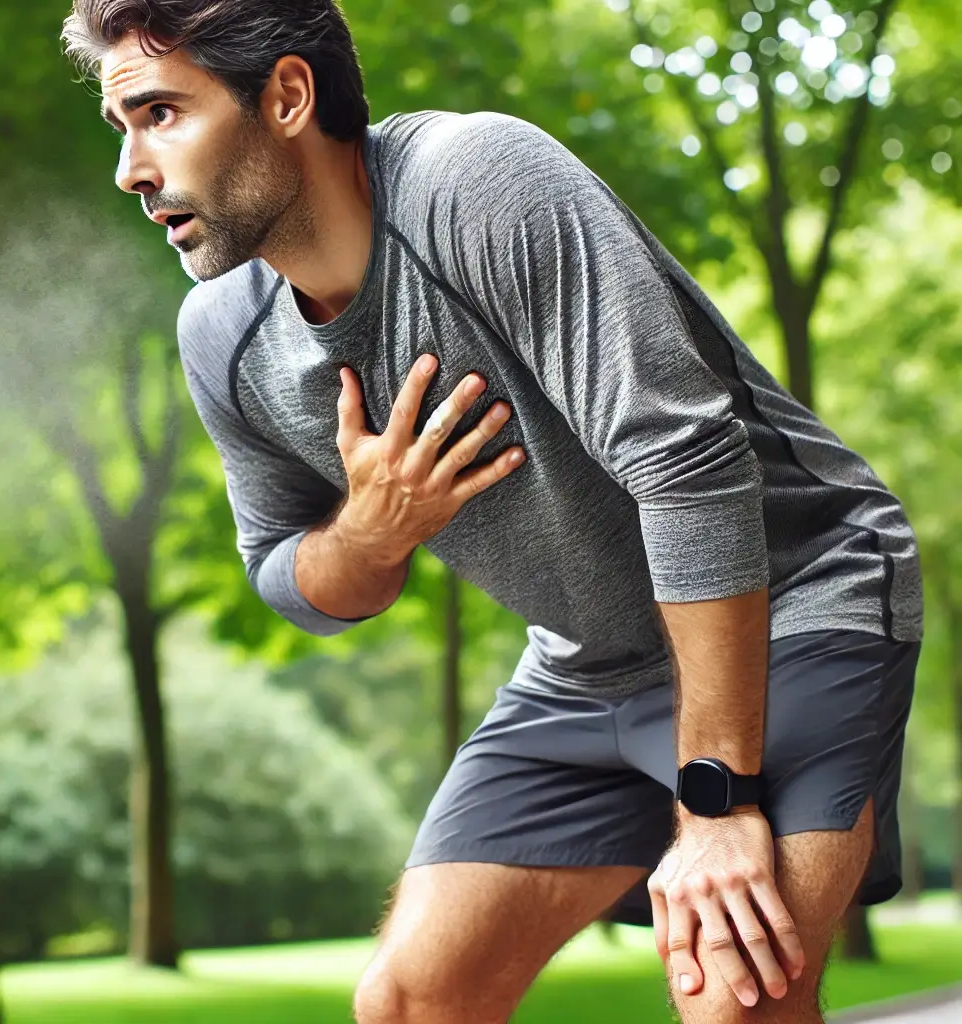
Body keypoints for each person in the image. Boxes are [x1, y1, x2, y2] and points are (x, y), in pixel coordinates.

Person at [63, 2, 923, 1021]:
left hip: (794, 601)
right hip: (581, 662)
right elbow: (284, 573)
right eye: (123, 127)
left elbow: (689, 464)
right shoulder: (221, 333)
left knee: (735, 992)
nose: (131, 169)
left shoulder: (473, 184)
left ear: (287, 96)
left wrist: (717, 800)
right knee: (410, 1000)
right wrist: (369, 535)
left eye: (159, 113)